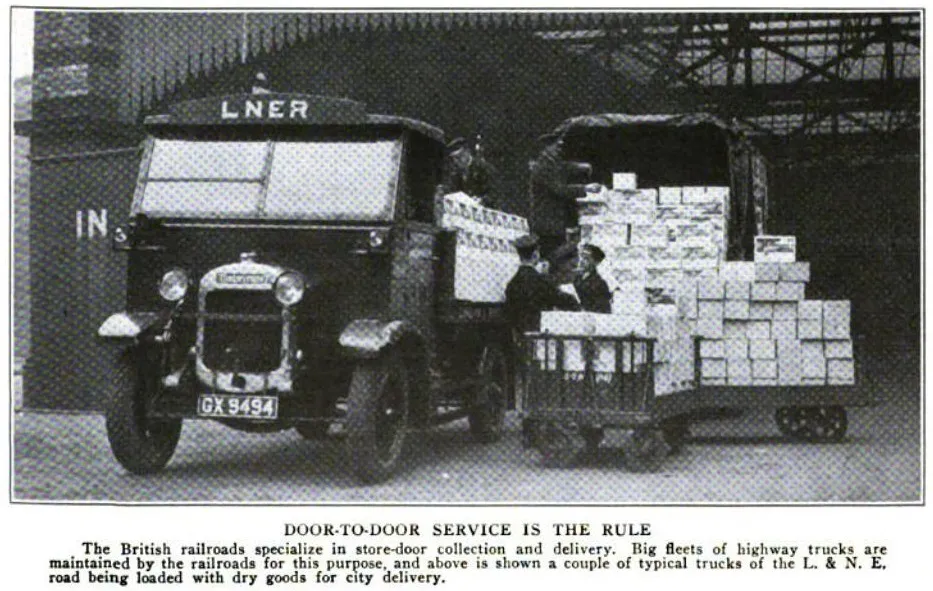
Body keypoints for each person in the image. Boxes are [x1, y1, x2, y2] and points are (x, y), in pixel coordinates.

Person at [529, 131, 602, 256]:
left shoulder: (549, 159)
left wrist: (580, 167)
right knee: (552, 253)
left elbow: (562, 167)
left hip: (552, 218)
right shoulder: (545, 165)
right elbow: (559, 189)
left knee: (556, 249)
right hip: (548, 219)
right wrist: (585, 189)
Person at [505, 234, 580, 335]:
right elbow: (566, 301)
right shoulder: (540, 282)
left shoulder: (512, 284)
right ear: (536, 254)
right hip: (539, 334)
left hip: (519, 335)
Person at [573, 243, 612, 313]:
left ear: (595, 262)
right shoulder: (574, 278)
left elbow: (603, 312)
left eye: (586, 258)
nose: (581, 261)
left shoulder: (599, 284)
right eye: (580, 257)